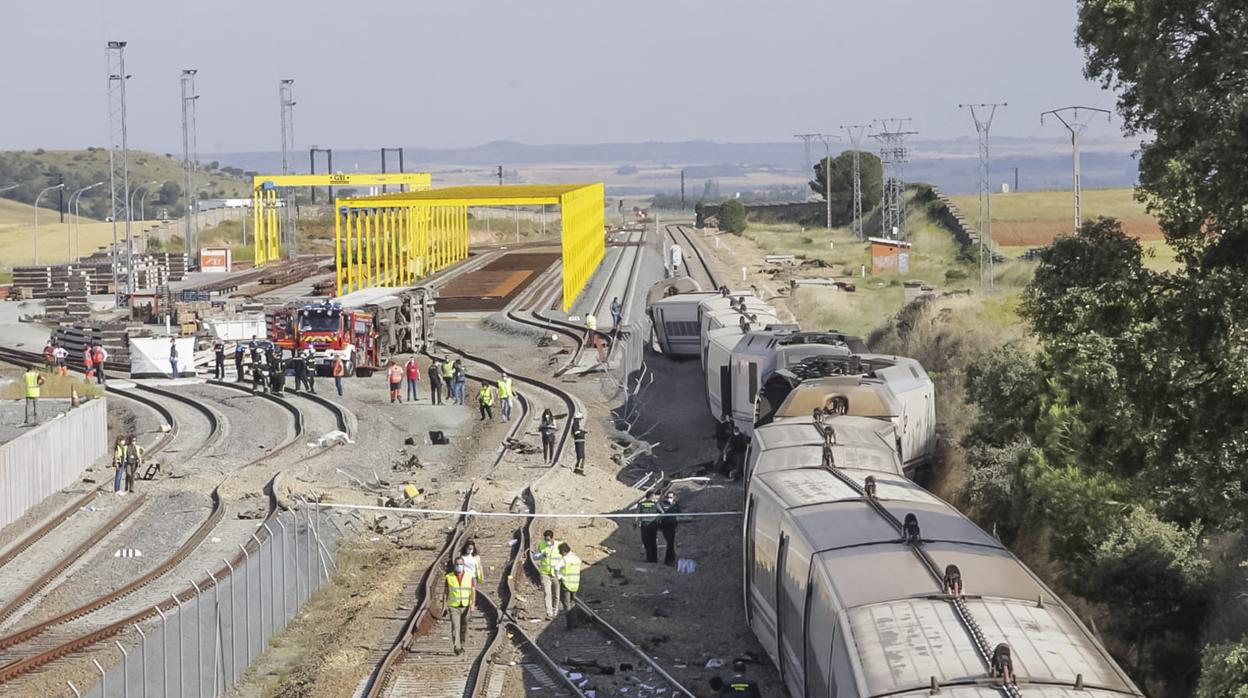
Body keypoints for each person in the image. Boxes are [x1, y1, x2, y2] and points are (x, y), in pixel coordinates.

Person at [445, 556, 474, 655]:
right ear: (454, 565)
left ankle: (462, 644)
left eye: (460, 564)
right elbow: (446, 591)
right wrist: (444, 605)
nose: (459, 566)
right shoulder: (449, 577)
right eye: (457, 564)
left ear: (464, 565)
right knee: (455, 626)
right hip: (453, 606)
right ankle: (457, 647)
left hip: (466, 606)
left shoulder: (469, 576)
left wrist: (473, 604)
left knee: (464, 626)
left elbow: (473, 591)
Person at [530, 530, 562, 620]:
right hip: (545, 573)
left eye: (548, 539)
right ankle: (549, 613)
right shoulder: (541, 545)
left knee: (556, 594)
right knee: (547, 593)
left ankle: (555, 611)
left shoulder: (559, 545)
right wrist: (542, 555)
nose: (547, 541)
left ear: (552, 538)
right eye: (545, 539)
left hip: (556, 573)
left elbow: (565, 556)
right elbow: (535, 556)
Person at [556, 542, 581, 629]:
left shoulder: (565, 559)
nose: (560, 554)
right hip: (575, 584)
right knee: (573, 603)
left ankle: (569, 624)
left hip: (566, 584)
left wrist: (559, 577)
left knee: (566, 605)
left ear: (563, 551)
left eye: (560, 552)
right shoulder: (577, 559)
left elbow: (557, 568)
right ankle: (575, 623)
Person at [636, 490, 663, 563]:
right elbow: (662, 513)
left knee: (646, 541)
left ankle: (649, 558)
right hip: (653, 525)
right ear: (652, 496)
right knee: (653, 541)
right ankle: (654, 559)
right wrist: (659, 520)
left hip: (644, 525)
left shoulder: (641, 504)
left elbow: (637, 515)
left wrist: (635, 523)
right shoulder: (656, 504)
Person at [659, 491, 680, 565]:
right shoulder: (663, 504)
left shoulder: (676, 505)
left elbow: (678, 514)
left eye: (670, 497)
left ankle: (670, 559)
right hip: (665, 525)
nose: (668, 499)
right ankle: (669, 559)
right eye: (667, 497)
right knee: (669, 541)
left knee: (670, 542)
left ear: (674, 498)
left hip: (673, 525)